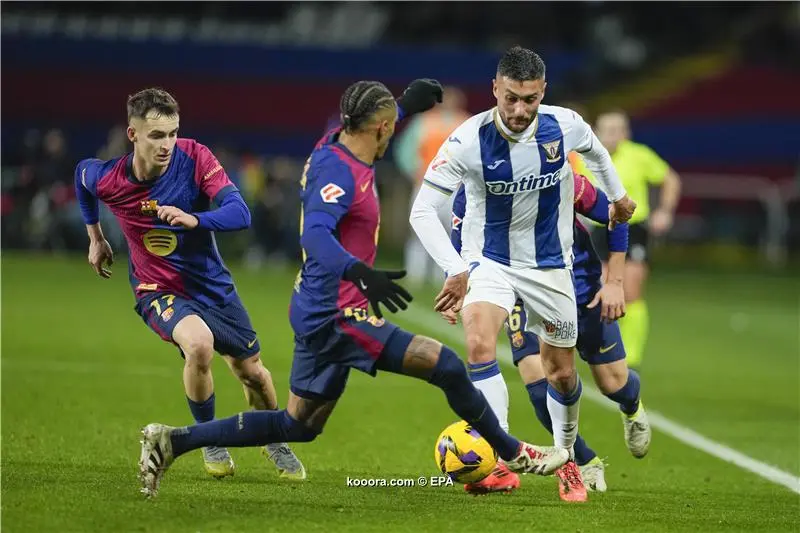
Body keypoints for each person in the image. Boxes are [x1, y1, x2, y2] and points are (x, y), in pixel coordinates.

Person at [138, 79, 570, 499]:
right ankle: (515, 453)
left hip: (314, 307)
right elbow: (317, 237)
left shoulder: (339, 139)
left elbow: (376, 120)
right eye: (390, 126)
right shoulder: (339, 172)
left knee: (298, 426)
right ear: (380, 130)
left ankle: (172, 441)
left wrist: (405, 103)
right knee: (448, 367)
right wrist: (360, 273)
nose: (390, 133)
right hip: (339, 314)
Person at [408, 46, 636, 502]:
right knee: (477, 342)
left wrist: (618, 196)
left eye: (529, 99)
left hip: (551, 266)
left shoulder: (563, 125)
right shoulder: (466, 141)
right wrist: (456, 269)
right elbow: (422, 211)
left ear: (542, 93)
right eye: (510, 97)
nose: (518, 109)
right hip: (488, 260)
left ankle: (567, 457)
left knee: (562, 375)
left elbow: (595, 152)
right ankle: (499, 453)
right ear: (495, 89)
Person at [75, 88, 305, 481]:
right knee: (198, 346)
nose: (167, 144)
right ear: (133, 135)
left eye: (173, 133)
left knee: (253, 373)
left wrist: (196, 218)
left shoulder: (195, 158)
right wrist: (95, 237)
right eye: (157, 135)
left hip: (213, 287)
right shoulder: (109, 178)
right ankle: (208, 439)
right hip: (157, 289)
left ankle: (273, 438)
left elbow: (240, 212)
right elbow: (82, 176)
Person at [446, 172, 652, 496]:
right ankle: (578, 462)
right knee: (537, 377)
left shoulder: (557, 176)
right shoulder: (471, 190)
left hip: (580, 289)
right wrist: (457, 285)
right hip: (516, 293)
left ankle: (632, 406)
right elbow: (461, 248)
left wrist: (614, 282)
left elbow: (618, 213)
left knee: (613, 382)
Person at [581, 110, 682, 369]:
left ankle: (632, 356)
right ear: (596, 130)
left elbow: (670, 179)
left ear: (626, 133)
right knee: (601, 287)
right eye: (608, 129)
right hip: (599, 229)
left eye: (619, 130)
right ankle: (605, 347)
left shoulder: (638, 155)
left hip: (633, 227)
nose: (614, 135)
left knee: (632, 289)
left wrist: (665, 212)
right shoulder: (585, 157)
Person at [394, 86, 471, 286]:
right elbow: (405, 151)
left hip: (455, 187)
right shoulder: (425, 121)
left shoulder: (466, 122)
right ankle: (416, 274)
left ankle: (443, 276)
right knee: (421, 230)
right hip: (426, 184)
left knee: (449, 233)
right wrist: (414, 171)